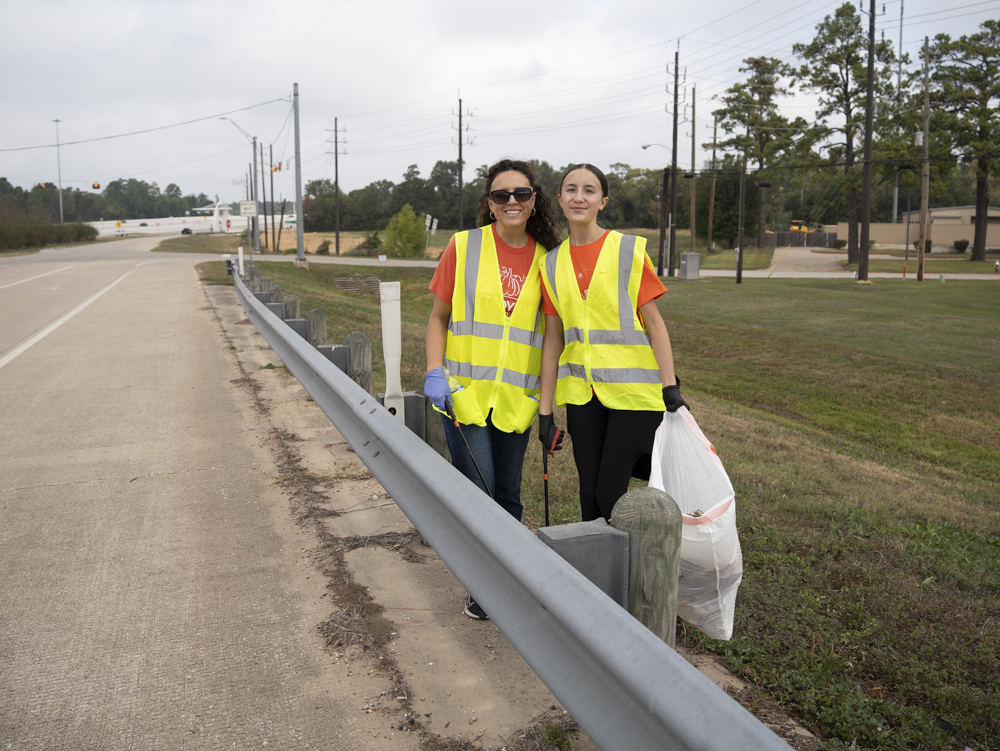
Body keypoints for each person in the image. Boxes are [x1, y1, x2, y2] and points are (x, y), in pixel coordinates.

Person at [424, 159, 562, 620]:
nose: (511, 202)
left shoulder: (549, 260)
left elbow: (550, 342)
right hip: (462, 395)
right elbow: (438, 319)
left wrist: (545, 407)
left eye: (520, 194)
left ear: (534, 200)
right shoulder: (463, 247)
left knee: (508, 494)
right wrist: (434, 371)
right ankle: (485, 587)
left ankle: (504, 578)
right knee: (478, 492)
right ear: (489, 202)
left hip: (516, 403)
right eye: (501, 195)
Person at [537, 163, 688, 523]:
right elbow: (553, 341)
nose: (579, 197)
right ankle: (600, 576)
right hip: (582, 397)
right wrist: (545, 413)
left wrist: (670, 387)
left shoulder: (627, 251)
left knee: (609, 493)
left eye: (589, 190)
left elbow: (654, 324)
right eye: (571, 189)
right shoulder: (551, 264)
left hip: (634, 396)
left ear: (602, 201)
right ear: (560, 199)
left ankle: (632, 571)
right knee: (589, 499)